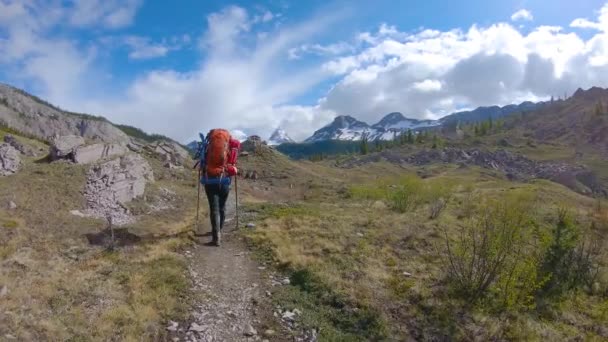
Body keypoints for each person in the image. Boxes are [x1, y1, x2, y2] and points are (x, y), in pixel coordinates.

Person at [195, 129, 240, 246]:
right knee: (222, 207)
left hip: (210, 180)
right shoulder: (229, 146)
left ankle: (216, 237)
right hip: (224, 180)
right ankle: (219, 229)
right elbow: (232, 163)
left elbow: (202, 163)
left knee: (214, 208)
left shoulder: (208, 145)